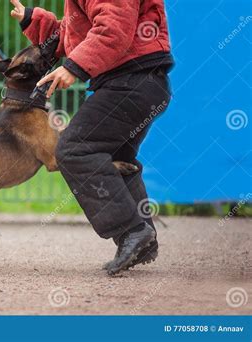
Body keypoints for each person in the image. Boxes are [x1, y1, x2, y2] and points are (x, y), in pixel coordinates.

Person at [10, 0, 174, 275]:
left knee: (75, 149)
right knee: (114, 157)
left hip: (132, 80)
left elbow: (113, 29)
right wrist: (33, 19)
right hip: (137, 81)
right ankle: (139, 239)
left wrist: (74, 68)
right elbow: (76, 33)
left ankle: (132, 231)